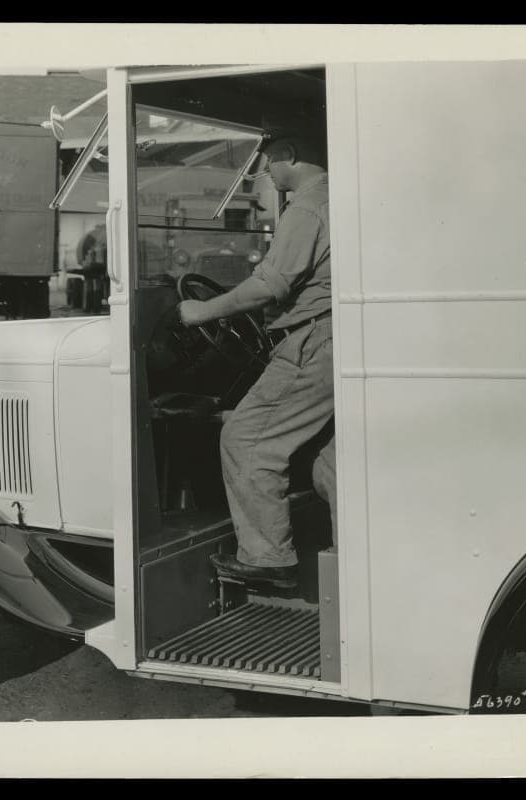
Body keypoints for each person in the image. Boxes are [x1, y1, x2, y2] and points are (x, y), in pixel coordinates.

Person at [178, 129, 336, 589]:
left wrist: (200, 312)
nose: (265, 169)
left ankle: (268, 558)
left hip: (310, 343)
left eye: (268, 159)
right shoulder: (339, 198)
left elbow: (270, 286)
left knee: (246, 439)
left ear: (288, 153)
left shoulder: (307, 206)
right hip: (331, 341)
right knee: (326, 457)